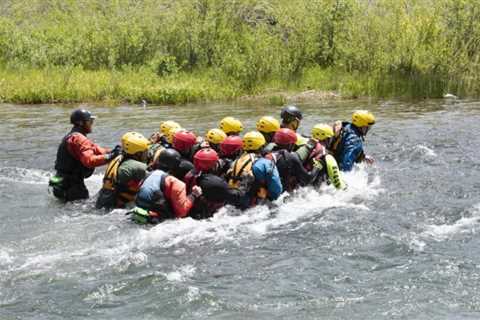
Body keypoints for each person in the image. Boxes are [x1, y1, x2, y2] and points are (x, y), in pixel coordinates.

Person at [50, 109, 120, 202]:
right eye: (90, 121)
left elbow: (96, 149)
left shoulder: (73, 135)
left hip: (61, 184)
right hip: (73, 187)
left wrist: (114, 151)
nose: (92, 124)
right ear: (80, 123)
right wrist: (111, 156)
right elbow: (89, 161)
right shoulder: (79, 139)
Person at [131, 154, 202, 224]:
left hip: (136, 215)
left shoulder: (147, 175)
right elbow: (182, 212)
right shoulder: (175, 183)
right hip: (158, 223)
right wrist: (193, 195)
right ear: (176, 166)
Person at [184, 148, 246, 219]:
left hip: (192, 212)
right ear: (213, 165)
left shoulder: (190, 174)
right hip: (206, 217)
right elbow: (237, 196)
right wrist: (244, 183)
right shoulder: (215, 182)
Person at [227, 131, 282, 209]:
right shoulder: (265, 163)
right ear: (261, 147)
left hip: (234, 201)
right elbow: (276, 189)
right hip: (255, 205)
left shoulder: (236, 161)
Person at [96, 132, 149, 209]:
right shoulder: (138, 166)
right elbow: (156, 178)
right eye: (145, 152)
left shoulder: (118, 159)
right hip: (117, 208)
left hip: (102, 201)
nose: (147, 154)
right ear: (137, 154)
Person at [296, 124, 345, 189]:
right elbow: (338, 183)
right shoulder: (326, 155)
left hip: (298, 184)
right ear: (328, 139)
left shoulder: (303, 145)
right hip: (314, 190)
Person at [272, 128, 321, 193]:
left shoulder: (267, 151)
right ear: (290, 144)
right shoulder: (291, 158)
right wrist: (317, 166)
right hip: (283, 195)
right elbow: (307, 179)